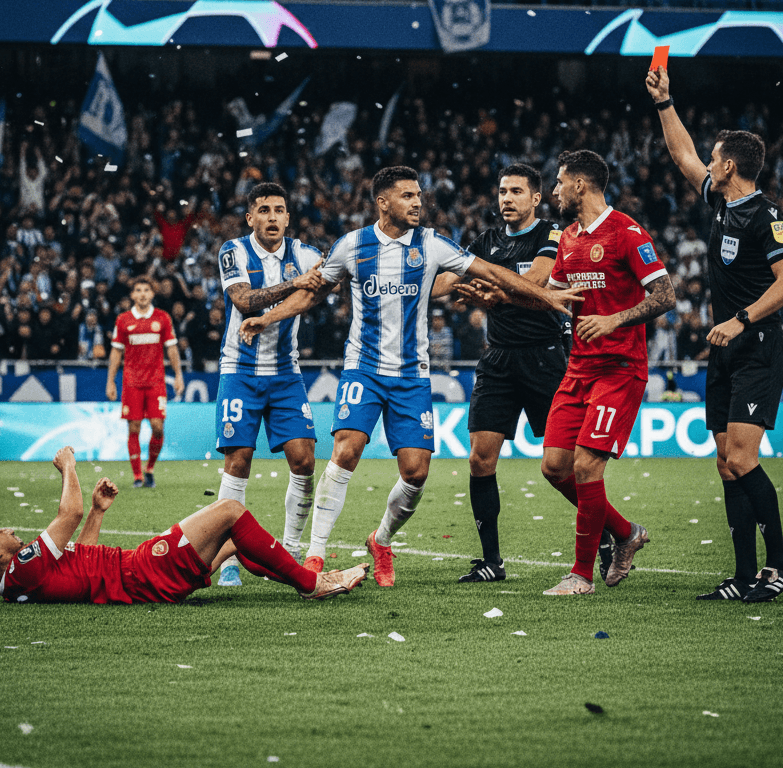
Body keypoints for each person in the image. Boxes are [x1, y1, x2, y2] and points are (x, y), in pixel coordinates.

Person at [240, 165, 582, 587]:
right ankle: (315, 555)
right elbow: (313, 293)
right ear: (383, 202)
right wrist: (268, 318)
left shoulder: (433, 244)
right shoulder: (352, 245)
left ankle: (381, 540)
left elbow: (494, 273)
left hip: (411, 375)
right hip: (363, 368)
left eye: (419, 195)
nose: (418, 202)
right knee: (346, 450)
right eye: (408, 196)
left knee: (416, 473)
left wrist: (544, 295)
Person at [647, 66, 783, 603]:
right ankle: (742, 575)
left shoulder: (767, 217)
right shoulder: (720, 201)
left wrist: (741, 319)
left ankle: (781, 564)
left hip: (756, 344)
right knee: (724, 462)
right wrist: (665, 103)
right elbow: (682, 155)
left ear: (730, 165)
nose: (707, 164)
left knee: (741, 458)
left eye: (715, 158)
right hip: (726, 350)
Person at [0, 446, 367, 603]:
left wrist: (97, 511)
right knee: (229, 511)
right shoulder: (22, 567)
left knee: (234, 539)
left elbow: (82, 553)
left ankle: (311, 580)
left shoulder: (23, 580)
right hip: (143, 570)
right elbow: (68, 514)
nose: (8, 530)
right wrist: (68, 467)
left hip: (143, 577)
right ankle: (311, 584)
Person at [540, 149, 676, 595]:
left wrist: (615, 319)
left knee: (585, 466)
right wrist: (501, 293)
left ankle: (581, 576)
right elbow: (553, 295)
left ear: (580, 184)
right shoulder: (569, 238)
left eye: (560, 182)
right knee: (554, 467)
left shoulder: (627, 232)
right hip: (578, 368)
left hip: (619, 369)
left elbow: (665, 295)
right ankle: (626, 532)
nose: (554, 191)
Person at [431, 163, 572, 583]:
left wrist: (492, 289)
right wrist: (408, 284)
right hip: (498, 358)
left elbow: (537, 279)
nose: (506, 198)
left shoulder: (551, 234)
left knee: (563, 466)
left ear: (536, 198)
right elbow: (446, 281)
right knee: (479, 458)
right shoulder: (485, 241)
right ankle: (492, 561)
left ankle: (605, 535)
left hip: (545, 356)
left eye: (516, 191)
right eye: (502, 191)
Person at [213, 183, 327, 587]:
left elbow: (328, 284)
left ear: (288, 218)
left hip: (285, 373)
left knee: (304, 459)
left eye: (279, 210)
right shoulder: (234, 251)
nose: (272, 217)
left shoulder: (307, 255)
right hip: (239, 371)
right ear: (250, 218)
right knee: (238, 461)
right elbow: (244, 301)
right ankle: (228, 558)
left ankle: (291, 550)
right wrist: (297, 283)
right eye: (264, 210)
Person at [106, 277, 185, 488]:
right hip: (131, 382)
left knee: (157, 427)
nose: (142, 294)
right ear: (132, 295)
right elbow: (116, 352)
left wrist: (178, 375)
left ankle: (149, 468)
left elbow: (172, 348)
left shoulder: (162, 318)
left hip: (156, 382)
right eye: (138, 290)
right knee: (134, 427)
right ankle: (137, 476)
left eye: (146, 290)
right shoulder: (123, 320)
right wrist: (110, 381)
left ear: (152, 294)